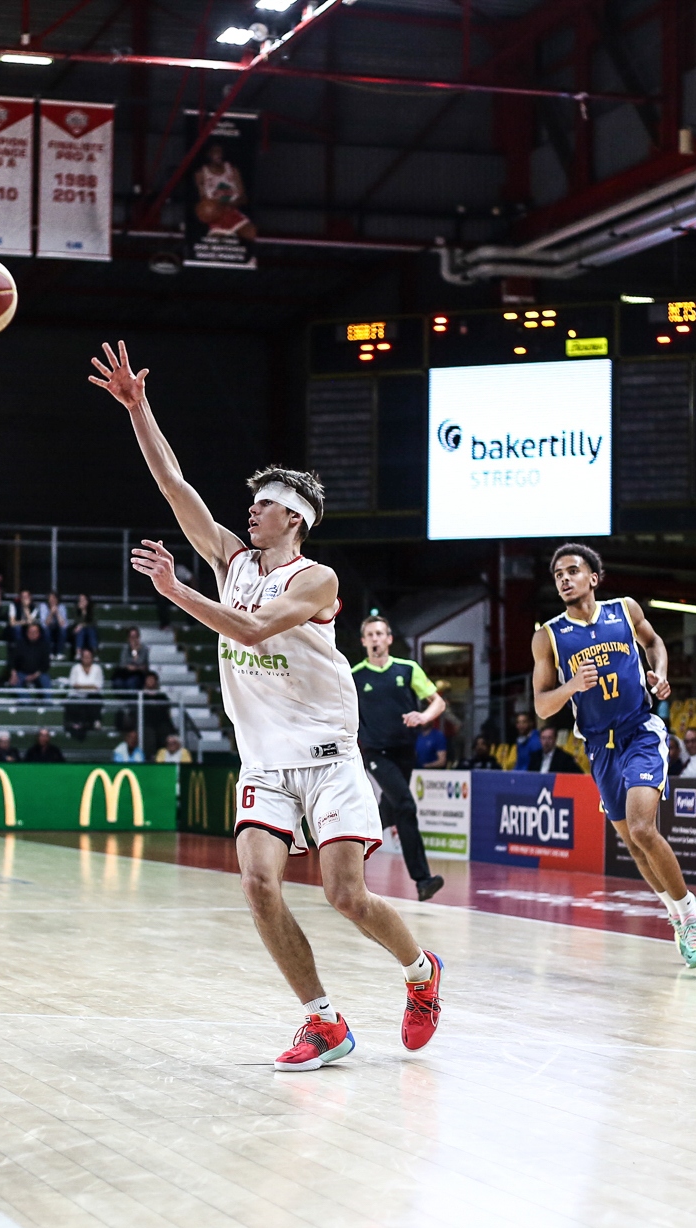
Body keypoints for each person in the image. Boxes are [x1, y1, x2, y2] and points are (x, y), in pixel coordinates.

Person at [94, 339, 442, 1070]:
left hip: (328, 755)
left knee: (346, 896)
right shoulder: (233, 560)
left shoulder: (317, 580)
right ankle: (323, 1020)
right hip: (266, 760)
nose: (249, 513)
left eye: (264, 506)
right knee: (258, 883)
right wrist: (138, 406)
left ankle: (420, 973)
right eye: (251, 505)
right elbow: (173, 483)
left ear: (295, 519)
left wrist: (178, 594)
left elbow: (251, 626)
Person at [532, 542, 696, 968]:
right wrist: (571, 686)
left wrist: (661, 675)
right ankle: (674, 915)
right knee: (633, 844)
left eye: (572, 571)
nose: (564, 578)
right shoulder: (549, 636)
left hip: (640, 732)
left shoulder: (624, 610)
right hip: (599, 746)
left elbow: (655, 644)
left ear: (593, 578)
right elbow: (542, 706)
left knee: (642, 828)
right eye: (558, 574)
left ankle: (691, 916)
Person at [351, 615, 448, 901]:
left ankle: (346, 848)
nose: (376, 638)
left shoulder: (408, 669)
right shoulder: (355, 675)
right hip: (375, 752)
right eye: (371, 634)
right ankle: (423, 879)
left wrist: (424, 716)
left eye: (381, 633)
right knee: (405, 804)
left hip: (405, 751)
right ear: (364, 641)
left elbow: (438, 702)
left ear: (389, 639)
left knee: (389, 811)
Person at [65, 646, 105, 738]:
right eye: (85, 656)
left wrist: (81, 686)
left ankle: (95, 722)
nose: (87, 659)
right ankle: (77, 724)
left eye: (89, 656)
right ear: (81, 657)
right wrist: (90, 686)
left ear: (92, 657)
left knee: (95, 699)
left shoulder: (97, 668)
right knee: (74, 702)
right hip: (77, 696)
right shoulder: (75, 668)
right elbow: (73, 684)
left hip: (93, 696)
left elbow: (98, 686)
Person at [7, 621, 52, 695]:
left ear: (39, 633)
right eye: (30, 631)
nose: (33, 634)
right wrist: (13, 673)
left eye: (35, 632)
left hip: (39, 673)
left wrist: (35, 675)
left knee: (46, 680)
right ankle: (26, 702)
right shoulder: (20, 644)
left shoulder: (44, 645)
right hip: (22, 673)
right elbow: (12, 660)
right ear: (27, 632)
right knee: (14, 680)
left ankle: (48, 703)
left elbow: (46, 664)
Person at [114, 625, 151, 690]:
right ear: (128, 638)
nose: (134, 639)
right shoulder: (125, 648)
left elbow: (139, 662)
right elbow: (122, 663)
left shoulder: (144, 649)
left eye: (136, 637)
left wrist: (134, 650)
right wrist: (133, 666)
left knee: (131, 683)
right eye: (132, 637)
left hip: (139, 675)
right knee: (118, 683)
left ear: (139, 637)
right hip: (125, 673)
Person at [69, 593, 99, 658]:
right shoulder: (75, 610)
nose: (81, 602)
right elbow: (75, 623)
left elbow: (93, 623)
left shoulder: (93, 609)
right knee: (80, 631)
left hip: (90, 629)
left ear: (87, 601)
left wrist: (82, 625)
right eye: (80, 600)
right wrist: (82, 611)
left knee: (90, 631)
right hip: (79, 630)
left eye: (83, 600)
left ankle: (94, 653)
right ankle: (78, 653)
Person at [42, 592, 70, 657]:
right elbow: (45, 624)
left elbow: (63, 624)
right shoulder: (43, 606)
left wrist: (57, 612)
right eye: (50, 598)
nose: (52, 600)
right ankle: (49, 652)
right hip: (48, 628)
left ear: (57, 599)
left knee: (63, 630)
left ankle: (59, 653)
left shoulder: (62, 607)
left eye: (54, 598)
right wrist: (51, 613)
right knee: (46, 631)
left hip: (58, 629)